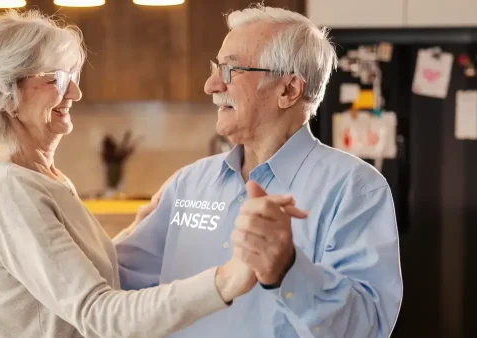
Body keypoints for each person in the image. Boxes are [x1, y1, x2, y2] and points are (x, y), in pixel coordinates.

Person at [0, 10, 262, 338]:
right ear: (1, 94)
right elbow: (98, 313)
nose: (74, 93)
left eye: (73, 77)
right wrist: (225, 280)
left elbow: (67, 279)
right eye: (56, 79)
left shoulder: (43, 178)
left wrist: (138, 227)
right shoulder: (12, 192)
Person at [115, 4, 403, 338]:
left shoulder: (355, 189)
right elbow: (112, 286)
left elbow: (367, 328)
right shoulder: (188, 184)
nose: (210, 85)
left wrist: (288, 269)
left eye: (230, 70)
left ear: (288, 90)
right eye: (215, 68)